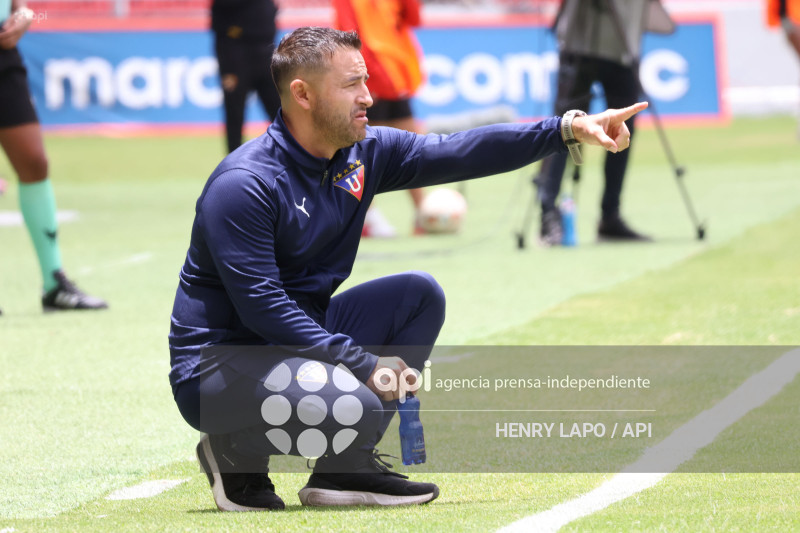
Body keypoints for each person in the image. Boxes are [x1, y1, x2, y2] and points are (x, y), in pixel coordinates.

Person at [168, 26, 646, 511]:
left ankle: (343, 470)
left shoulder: (363, 153)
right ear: (302, 94)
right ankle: (235, 452)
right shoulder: (244, 184)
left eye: (365, 81)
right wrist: (363, 364)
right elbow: (263, 308)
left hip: (293, 342)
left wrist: (565, 129)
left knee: (418, 296)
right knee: (357, 402)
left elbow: (457, 150)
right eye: (351, 84)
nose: (368, 97)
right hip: (216, 368)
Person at [535, 0, 674, 245]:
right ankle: (547, 212)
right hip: (580, 44)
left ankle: (610, 217)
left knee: (622, 131)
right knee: (564, 130)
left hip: (623, 48)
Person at [0, 0, 107, 314]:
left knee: (34, 162)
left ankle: (53, 283)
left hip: (4, 54)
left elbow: (20, 5)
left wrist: (23, 16)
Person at [333, 0, 426, 236]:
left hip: (395, 75)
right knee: (361, 150)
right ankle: (365, 218)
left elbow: (413, 18)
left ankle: (422, 213)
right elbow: (348, 33)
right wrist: (361, 77)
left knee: (413, 144)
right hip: (370, 77)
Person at [211, 0, 281, 153]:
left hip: (266, 50)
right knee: (235, 113)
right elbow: (219, 26)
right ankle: (233, 162)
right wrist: (227, 67)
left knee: (281, 112)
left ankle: (293, 156)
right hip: (236, 53)